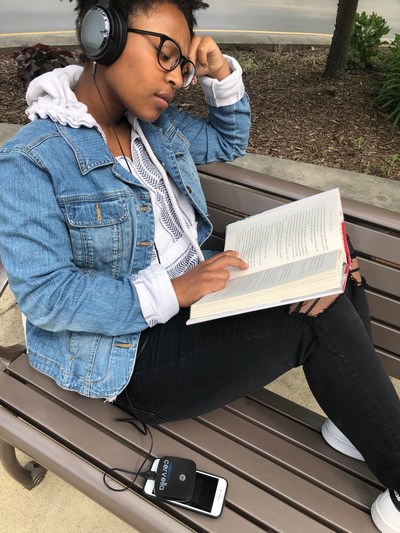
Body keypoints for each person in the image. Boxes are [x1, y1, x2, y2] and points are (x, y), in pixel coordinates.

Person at [0, 1, 398, 530]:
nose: (175, 78)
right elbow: (46, 296)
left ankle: (359, 420)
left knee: (335, 270)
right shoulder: (32, 159)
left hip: (198, 300)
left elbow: (230, 139)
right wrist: (175, 290)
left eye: (182, 66)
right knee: (317, 320)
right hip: (129, 354)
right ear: (103, 35)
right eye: (166, 54)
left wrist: (219, 72)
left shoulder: (154, 127)